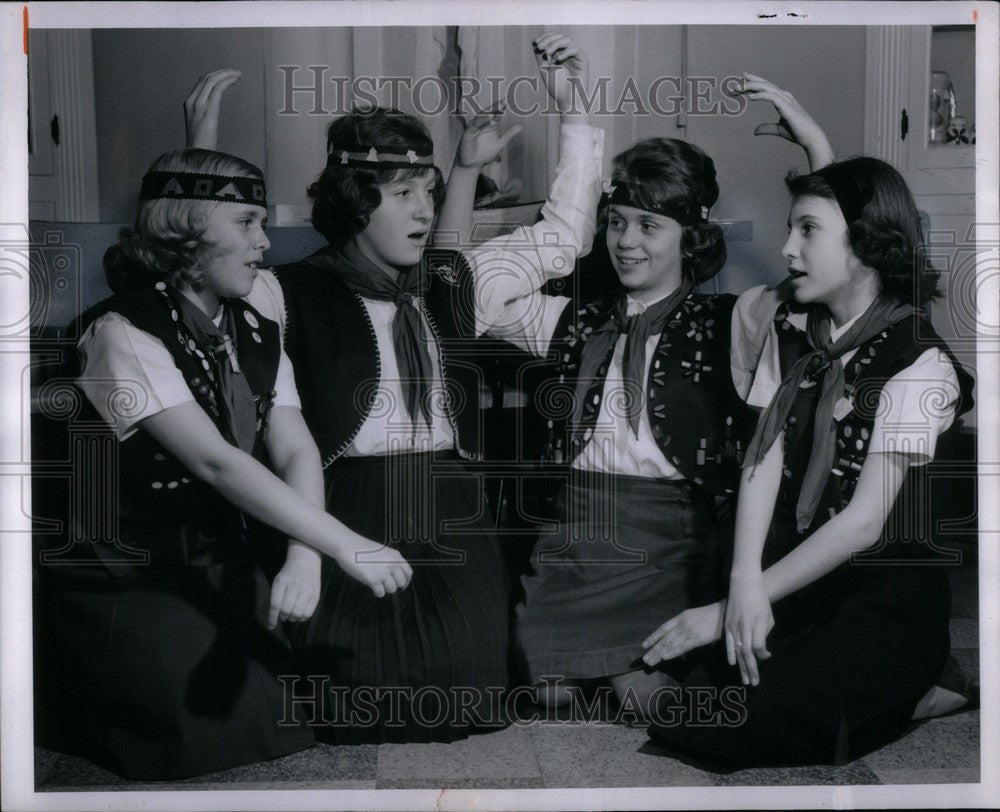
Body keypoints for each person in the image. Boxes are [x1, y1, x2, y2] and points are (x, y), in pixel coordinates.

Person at [184, 33, 605, 742]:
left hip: (450, 506)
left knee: (471, 697)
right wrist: (198, 152)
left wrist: (575, 112)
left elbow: (564, 236)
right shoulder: (283, 293)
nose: (421, 211)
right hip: (341, 506)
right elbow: (189, 278)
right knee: (353, 704)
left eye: (428, 193)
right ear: (353, 204)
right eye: (402, 194)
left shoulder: (452, 282)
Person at [440, 74, 835, 714]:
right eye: (617, 222)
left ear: (692, 237)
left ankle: (648, 672)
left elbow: (824, 287)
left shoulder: (730, 322)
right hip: (574, 536)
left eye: (650, 226)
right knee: (548, 694)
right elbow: (460, 300)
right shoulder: (577, 322)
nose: (626, 242)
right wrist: (574, 134)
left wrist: (818, 152)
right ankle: (610, 669)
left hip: (671, 544)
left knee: (646, 699)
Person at [36, 147, 412, 780]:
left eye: (261, 222)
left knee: (318, 698)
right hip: (130, 567)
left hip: (218, 547)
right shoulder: (121, 333)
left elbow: (294, 446)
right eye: (245, 223)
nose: (265, 243)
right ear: (185, 229)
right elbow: (214, 463)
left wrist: (304, 556)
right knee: (213, 732)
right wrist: (346, 544)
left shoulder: (254, 322)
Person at [642, 109, 975, 765]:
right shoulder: (798, 331)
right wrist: (741, 585)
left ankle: (925, 688)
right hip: (807, 585)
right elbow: (761, 462)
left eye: (808, 231)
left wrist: (736, 605)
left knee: (734, 727)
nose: (788, 248)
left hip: (883, 607)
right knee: (693, 706)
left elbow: (862, 523)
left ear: (866, 245)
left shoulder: (920, 363)